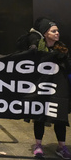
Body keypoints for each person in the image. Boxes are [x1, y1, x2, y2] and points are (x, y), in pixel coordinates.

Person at [27, 18, 71, 159]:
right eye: (53, 31)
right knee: (39, 116)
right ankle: (38, 145)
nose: (57, 33)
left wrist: (63, 60)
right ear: (45, 34)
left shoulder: (62, 49)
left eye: (57, 31)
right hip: (41, 89)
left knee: (59, 118)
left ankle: (62, 146)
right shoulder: (37, 48)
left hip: (57, 90)